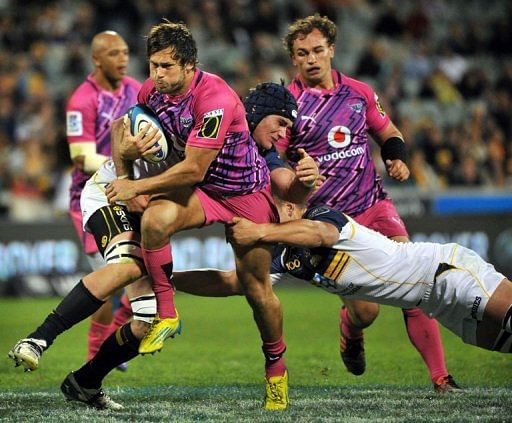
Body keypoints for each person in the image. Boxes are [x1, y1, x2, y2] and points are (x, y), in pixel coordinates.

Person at [9, 81, 317, 411]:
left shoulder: (254, 155)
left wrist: (304, 184)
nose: (284, 135)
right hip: (110, 195)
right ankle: (38, 339)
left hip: (143, 203)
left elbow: (284, 186)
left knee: (148, 321)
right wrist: (128, 177)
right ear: (255, 114)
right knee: (129, 267)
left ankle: (85, 382)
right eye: (281, 123)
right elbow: (119, 128)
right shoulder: (197, 116)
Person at [277, 14, 459, 392]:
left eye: (317, 50)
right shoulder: (286, 104)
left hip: (374, 207)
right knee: (366, 311)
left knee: (418, 284)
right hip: (328, 224)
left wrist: (395, 156)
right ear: (293, 59)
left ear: (332, 50)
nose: (311, 59)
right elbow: (272, 158)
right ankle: (351, 329)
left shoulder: (358, 92)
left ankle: (441, 378)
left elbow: (388, 131)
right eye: (302, 53)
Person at [224, 199, 512, 358]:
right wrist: (176, 279)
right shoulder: (287, 258)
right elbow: (234, 283)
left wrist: (259, 231)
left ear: (290, 207)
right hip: (435, 306)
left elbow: (320, 234)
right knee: (502, 344)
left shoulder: (323, 215)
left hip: (443, 270)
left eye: (274, 212)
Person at [65, 30, 140, 365]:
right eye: (114, 53)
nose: (122, 58)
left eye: (125, 52)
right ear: (96, 58)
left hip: (129, 192)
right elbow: (81, 156)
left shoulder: (137, 90)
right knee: (109, 282)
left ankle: (118, 336)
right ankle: (98, 358)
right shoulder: (82, 99)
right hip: (92, 198)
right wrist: (122, 164)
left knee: (145, 270)